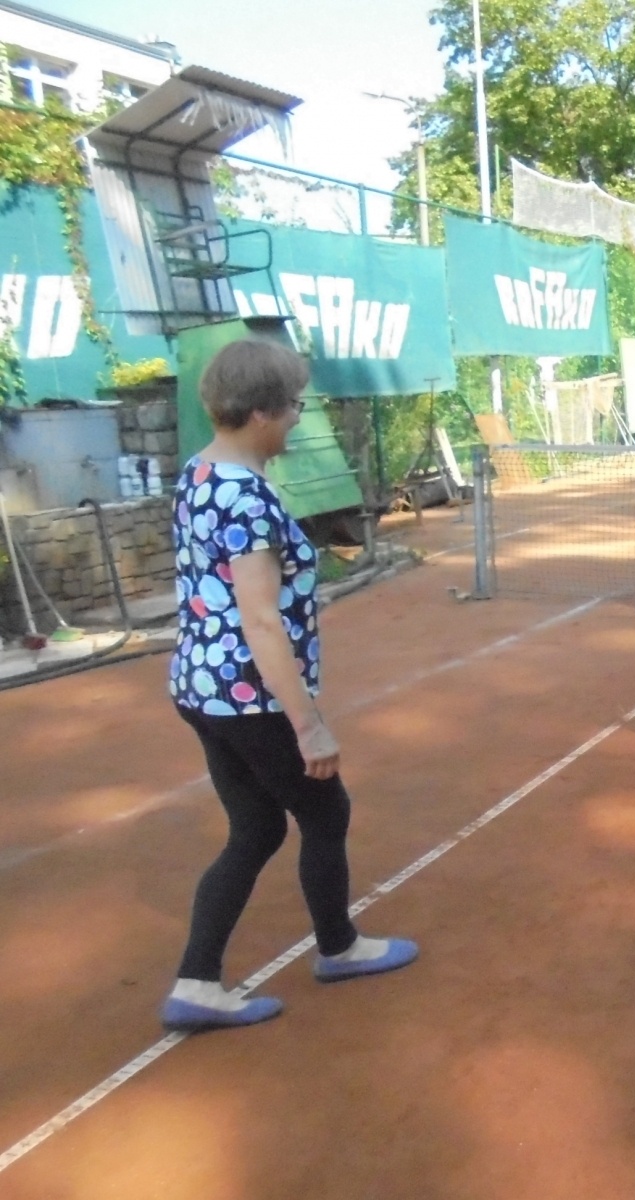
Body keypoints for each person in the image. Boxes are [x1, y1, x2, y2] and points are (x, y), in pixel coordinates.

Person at [162, 338, 417, 1033]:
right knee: (325, 813)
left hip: (201, 685)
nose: (299, 418)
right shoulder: (243, 496)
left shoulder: (200, 472)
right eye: (295, 406)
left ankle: (198, 979)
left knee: (255, 827)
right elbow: (260, 621)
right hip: (249, 694)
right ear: (261, 412)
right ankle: (338, 947)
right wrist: (308, 723)